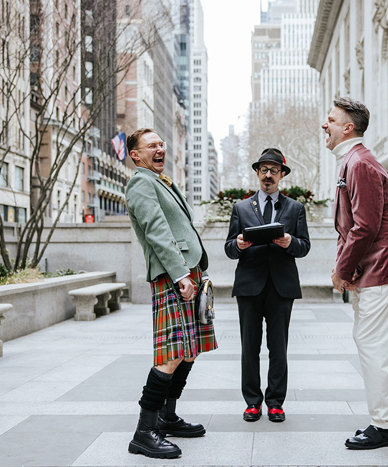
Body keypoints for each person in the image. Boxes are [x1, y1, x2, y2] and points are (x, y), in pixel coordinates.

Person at [323, 97, 388, 450]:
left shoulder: (360, 163)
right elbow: (350, 226)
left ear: (348, 127)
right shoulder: (353, 161)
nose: (325, 125)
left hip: (384, 266)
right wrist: (344, 267)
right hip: (376, 266)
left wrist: (341, 271)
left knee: (372, 346)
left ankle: (383, 427)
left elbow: (365, 227)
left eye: (330, 120)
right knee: (372, 344)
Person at [125, 128, 217, 459]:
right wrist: (180, 273)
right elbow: (157, 231)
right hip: (171, 273)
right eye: (152, 145)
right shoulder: (141, 183)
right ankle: (144, 431)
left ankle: (166, 415)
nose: (160, 148)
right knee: (171, 352)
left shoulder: (160, 180)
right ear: (136, 155)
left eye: (161, 144)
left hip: (188, 271)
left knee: (189, 350)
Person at [224, 148, 310, 423]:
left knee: (278, 347)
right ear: (257, 173)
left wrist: (290, 243)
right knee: (249, 347)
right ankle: (252, 402)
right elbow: (229, 248)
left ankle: (275, 402)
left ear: (282, 175)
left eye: (274, 170)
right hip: (249, 287)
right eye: (264, 170)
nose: (268, 175)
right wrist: (237, 244)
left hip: (281, 287)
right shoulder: (240, 207)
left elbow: (304, 246)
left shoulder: (295, 208)